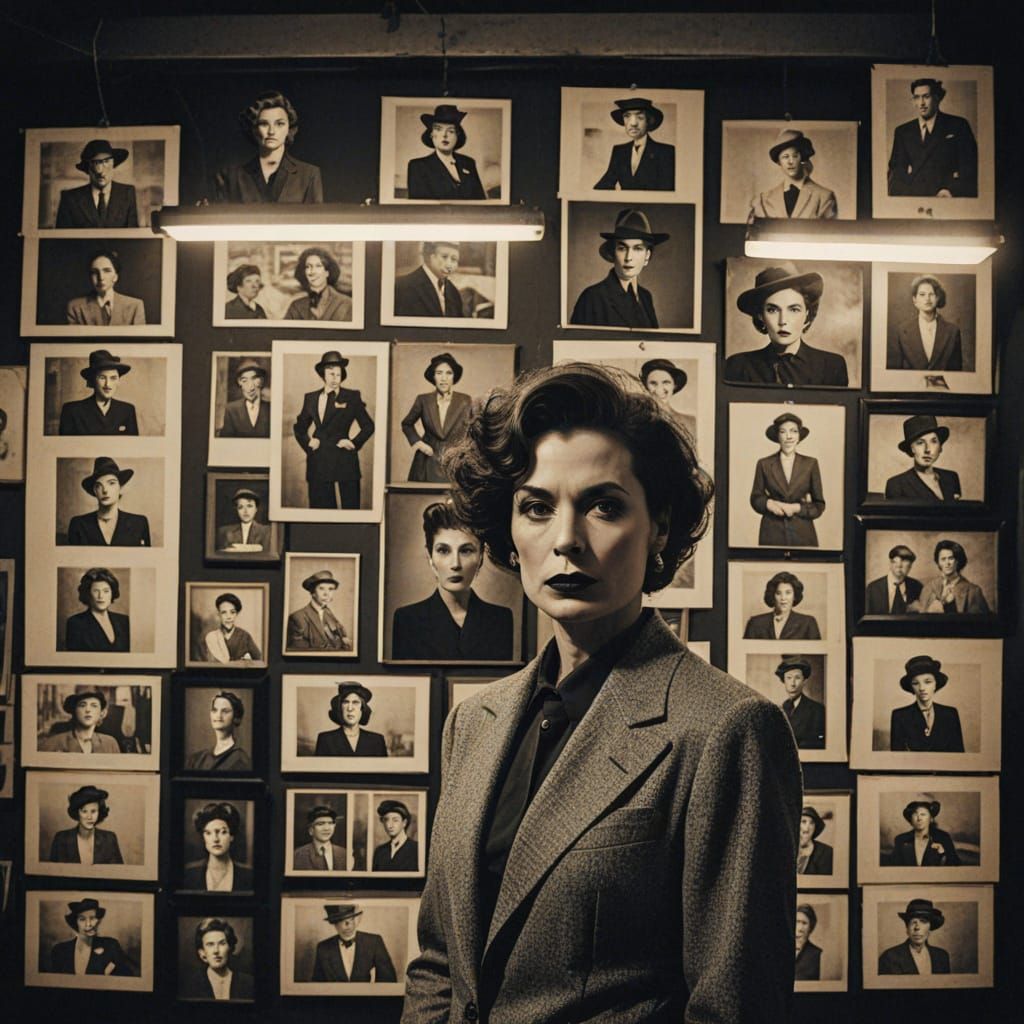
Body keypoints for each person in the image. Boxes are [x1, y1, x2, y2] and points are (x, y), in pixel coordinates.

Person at [402, 363, 801, 1023]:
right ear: (509, 530)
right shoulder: (474, 721)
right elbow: (440, 967)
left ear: (661, 527)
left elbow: (734, 1007)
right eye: (537, 507)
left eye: (604, 505)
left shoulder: (726, 729)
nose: (566, 541)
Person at [392, 500, 514, 662]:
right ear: (430, 557)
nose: (455, 564)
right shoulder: (408, 620)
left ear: (481, 556)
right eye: (443, 550)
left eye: (466, 550)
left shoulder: (501, 619)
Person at [725, 263, 848, 387]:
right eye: (772, 310)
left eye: (794, 310)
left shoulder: (831, 366)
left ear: (806, 314)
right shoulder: (738, 366)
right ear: (760, 315)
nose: (783, 321)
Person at [292, 350, 375, 510]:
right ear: (323, 375)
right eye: (331, 374)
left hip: (344, 459)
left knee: (351, 509)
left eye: (338, 374)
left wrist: (353, 443)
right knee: (321, 510)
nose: (335, 378)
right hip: (318, 459)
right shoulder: (311, 398)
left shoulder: (352, 396)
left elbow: (368, 425)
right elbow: (299, 427)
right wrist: (309, 443)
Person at [215, 90, 323, 203]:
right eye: (264, 124)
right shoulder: (231, 178)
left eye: (280, 124)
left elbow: (315, 220)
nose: (271, 131)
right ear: (254, 129)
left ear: (289, 128)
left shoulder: (308, 174)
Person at [570, 207, 667, 328]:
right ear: (613, 252)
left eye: (637, 248)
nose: (628, 257)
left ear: (647, 256)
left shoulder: (646, 297)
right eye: (622, 248)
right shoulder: (592, 298)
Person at [887, 77, 978, 198]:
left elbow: (970, 167)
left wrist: (951, 191)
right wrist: (905, 195)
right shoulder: (903, 131)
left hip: (946, 197)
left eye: (926, 96)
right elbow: (896, 171)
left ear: (937, 98)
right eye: (917, 97)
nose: (921, 103)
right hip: (914, 199)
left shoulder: (958, 125)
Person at [749, 411, 824, 547]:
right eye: (783, 432)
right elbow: (755, 498)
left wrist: (796, 508)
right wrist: (769, 504)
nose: (789, 437)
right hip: (772, 532)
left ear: (799, 436)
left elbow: (819, 506)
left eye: (794, 431)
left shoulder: (811, 464)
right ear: (777, 436)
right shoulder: (764, 464)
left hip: (803, 534)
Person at [400, 352, 473, 483]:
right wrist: (420, 444)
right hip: (427, 461)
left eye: (448, 373)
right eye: (439, 373)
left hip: (455, 463)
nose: (443, 378)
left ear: (454, 376)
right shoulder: (423, 400)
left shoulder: (465, 400)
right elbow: (406, 424)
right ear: (433, 377)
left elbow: (474, 429)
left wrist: (463, 451)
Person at [748, 128, 837, 220]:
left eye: (795, 156)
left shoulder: (824, 196)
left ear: (802, 158)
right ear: (779, 162)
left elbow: (828, 233)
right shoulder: (763, 200)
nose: (790, 162)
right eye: (785, 157)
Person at [593, 97, 676, 191]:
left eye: (640, 117)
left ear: (649, 120)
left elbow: (669, 193)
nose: (633, 123)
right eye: (627, 116)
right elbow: (604, 185)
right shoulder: (619, 151)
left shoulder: (666, 152)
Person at [406, 104, 486, 200]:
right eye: (439, 130)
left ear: (457, 136)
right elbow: (420, 207)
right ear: (431, 135)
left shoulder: (468, 163)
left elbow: (480, 201)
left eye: (451, 131)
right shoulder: (418, 166)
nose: (444, 135)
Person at [67, 455, 151, 546]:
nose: (105, 490)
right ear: (94, 491)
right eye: (99, 485)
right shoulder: (78, 524)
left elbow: (146, 559)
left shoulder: (139, 524)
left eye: (111, 483)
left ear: (120, 487)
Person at [55, 138, 139, 228]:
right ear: (87, 168)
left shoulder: (127, 193)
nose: (100, 170)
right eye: (94, 163)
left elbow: (133, 236)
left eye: (106, 162)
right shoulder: (70, 198)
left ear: (113, 163)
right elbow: (62, 239)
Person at [887, 274, 965, 371]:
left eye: (931, 294)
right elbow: (896, 372)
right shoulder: (902, 331)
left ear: (937, 298)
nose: (927, 298)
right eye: (922, 294)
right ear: (915, 300)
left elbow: (957, 372)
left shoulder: (953, 331)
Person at [889, 654, 965, 753]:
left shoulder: (950, 714)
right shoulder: (900, 716)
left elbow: (959, 756)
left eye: (927, 682)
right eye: (916, 683)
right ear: (911, 687)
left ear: (935, 684)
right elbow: (896, 758)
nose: (921, 688)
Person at [58, 349, 139, 436]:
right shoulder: (72, 411)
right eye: (102, 377)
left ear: (119, 381)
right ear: (92, 380)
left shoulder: (127, 410)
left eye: (113, 378)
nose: (107, 384)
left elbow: (132, 447)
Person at [49, 897, 137, 976]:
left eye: (92, 918)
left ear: (97, 920)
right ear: (76, 923)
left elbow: (128, 977)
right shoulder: (60, 950)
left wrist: (108, 976)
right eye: (82, 919)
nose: (89, 924)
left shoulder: (111, 946)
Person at [884, 414, 962, 502]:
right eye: (920, 442)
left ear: (940, 447)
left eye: (933, 441)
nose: (928, 449)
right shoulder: (896, 484)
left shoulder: (951, 477)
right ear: (911, 448)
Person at [312, 904, 398, 983]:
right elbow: (317, 986)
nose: (348, 924)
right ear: (334, 923)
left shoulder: (373, 942)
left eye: (351, 918)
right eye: (341, 920)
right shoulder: (323, 948)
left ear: (355, 919)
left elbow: (388, 979)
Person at [182, 801, 254, 892]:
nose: (216, 839)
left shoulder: (248, 875)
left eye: (223, 832)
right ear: (203, 837)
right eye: (208, 833)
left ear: (231, 836)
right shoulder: (189, 874)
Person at [908, 538, 992, 615]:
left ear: (958, 561)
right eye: (943, 559)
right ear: (938, 562)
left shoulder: (973, 591)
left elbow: (979, 626)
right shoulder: (928, 588)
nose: (947, 563)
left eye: (951, 558)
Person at [65, 248, 146, 326]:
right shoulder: (75, 307)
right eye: (95, 272)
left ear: (115, 277)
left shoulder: (135, 306)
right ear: (90, 277)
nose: (101, 277)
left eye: (107, 271)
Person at [180, 918, 255, 1001]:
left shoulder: (249, 983)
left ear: (230, 947)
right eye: (210, 944)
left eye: (222, 943)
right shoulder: (190, 985)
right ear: (202, 953)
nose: (216, 950)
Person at [48, 784, 124, 864]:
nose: (89, 817)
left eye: (93, 811)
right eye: (84, 811)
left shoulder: (109, 839)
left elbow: (118, 873)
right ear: (77, 812)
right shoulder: (61, 839)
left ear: (99, 812)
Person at [878, 898, 951, 975]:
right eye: (913, 922)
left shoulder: (942, 956)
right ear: (907, 928)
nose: (917, 928)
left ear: (930, 928)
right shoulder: (889, 957)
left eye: (923, 921)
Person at [315, 682, 388, 757]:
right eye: (345, 702)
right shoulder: (325, 740)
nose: (350, 708)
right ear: (340, 708)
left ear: (362, 708)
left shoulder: (377, 741)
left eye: (355, 702)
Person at [66, 567, 130, 652]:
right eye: (96, 591)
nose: (101, 596)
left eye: (106, 591)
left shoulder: (124, 621)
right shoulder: (75, 623)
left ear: (112, 593)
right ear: (88, 593)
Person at [743, 570, 822, 639]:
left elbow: (816, 655)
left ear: (794, 596)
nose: (783, 598)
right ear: (772, 596)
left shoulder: (808, 623)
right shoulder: (755, 623)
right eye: (778, 593)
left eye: (788, 593)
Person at [184, 691, 252, 772]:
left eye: (225, 711)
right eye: (214, 710)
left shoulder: (241, 760)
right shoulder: (197, 759)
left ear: (236, 717)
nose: (218, 715)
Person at [286, 569, 351, 652]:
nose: (326, 593)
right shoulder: (297, 617)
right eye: (321, 588)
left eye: (330, 589)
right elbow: (298, 652)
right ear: (312, 592)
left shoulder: (329, 614)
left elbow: (342, 637)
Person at [40, 689, 121, 754]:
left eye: (94, 706)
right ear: (74, 711)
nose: (88, 710)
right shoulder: (52, 743)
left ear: (102, 713)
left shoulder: (110, 744)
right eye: (82, 705)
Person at [394, 242, 464, 318]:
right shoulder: (403, 286)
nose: (449, 265)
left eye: (454, 259)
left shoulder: (453, 292)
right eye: (444, 257)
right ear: (430, 256)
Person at [891, 795, 962, 867]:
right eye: (915, 814)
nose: (919, 818)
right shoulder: (901, 840)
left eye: (923, 814)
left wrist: (943, 854)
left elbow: (956, 866)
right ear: (911, 819)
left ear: (931, 819)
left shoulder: (943, 838)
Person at [284, 247, 352, 321]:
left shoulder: (346, 304)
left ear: (327, 272)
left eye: (318, 266)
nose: (313, 271)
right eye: (308, 267)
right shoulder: (295, 306)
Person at [639, 358, 696, 441]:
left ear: (674, 385)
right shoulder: (638, 422)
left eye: (666, 382)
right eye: (653, 383)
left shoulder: (691, 422)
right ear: (646, 387)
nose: (659, 389)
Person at [776, 656, 825, 750]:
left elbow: (817, 743)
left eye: (797, 678)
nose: (792, 683)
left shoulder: (817, 710)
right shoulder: (781, 708)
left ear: (804, 681)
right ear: (783, 681)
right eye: (789, 678)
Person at [199, 592, 262, 664]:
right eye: (224, 612)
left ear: (237, 614)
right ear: (218, 614)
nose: (228, 617)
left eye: (232, 612)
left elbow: (260, 661)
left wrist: (247, 663)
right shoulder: (211, 637)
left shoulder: (244, 636)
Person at [865, 544, 924, 614]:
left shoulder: (917, 587)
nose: (899, 565)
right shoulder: (873, 589)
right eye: (895, 561)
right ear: (890, 563)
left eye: (905, 561)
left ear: (910, 566)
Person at [218, 362, 271, 438]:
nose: (250, 387)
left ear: (261, 381)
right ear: (239, 383)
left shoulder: (270, 409)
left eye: (254, 379)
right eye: (244, 381)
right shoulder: (231, 410)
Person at [293, 804, 348, 871]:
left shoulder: (344, 854)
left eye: (330, 823)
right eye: (320, 824)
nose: (327, 828)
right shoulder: (297, 855)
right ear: (311, 830)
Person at [215, 487, 272, 552]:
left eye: (249, 506)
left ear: (256, 509)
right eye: (241, 507)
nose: (245, 511)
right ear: (236, 510)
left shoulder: (266, 531)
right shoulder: (225, 532)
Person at [372, 799, 419, 872]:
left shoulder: (417, 849)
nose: (389, 825)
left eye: (395, 820)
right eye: (386, 820)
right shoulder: (379, 851)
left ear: (404, 823)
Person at [797, 805, 834, 875]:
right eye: (803, 821)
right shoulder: (786, 849)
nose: (807, 828)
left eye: (812, 823)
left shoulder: (827, 852)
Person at [794, 904, 822, 982]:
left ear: (810, 927)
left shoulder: (816, 953)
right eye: (797, 922)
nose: (800, 928)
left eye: (804, 923)